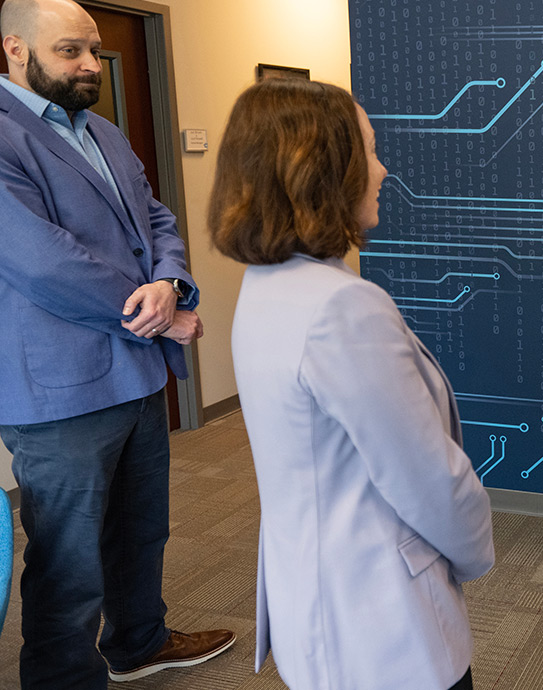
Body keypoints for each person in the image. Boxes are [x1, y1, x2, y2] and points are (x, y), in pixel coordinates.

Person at [211, 78, 495, 690]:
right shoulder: (344, 307)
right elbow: (427, 479)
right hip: (382, 628)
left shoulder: (265, 289)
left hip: (316, 608)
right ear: (322, 170)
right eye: (368, 150)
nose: (383, 169)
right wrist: (476, 552)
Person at [0, 0, 233, 686]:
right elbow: (44, 262)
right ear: (15, 48)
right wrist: (157, 315)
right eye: (69, 51)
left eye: (92, 52)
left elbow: (155, 217)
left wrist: (172, 282)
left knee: (139, 531)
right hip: (58, 390)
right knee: (67, 560)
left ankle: (139, 641)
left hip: (133, 374)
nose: (87, 66)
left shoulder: (100, 130)